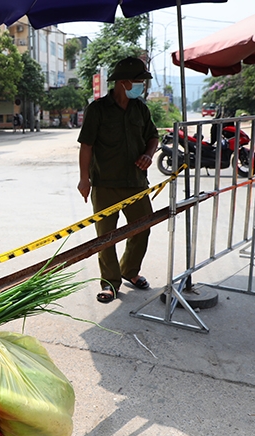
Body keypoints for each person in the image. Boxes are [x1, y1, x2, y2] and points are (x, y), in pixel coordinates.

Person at [77, 57, 159, 304]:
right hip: (104, 184)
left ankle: (130, 271)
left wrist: (148, 154)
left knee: (143, 228)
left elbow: (152, 137)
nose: (141, 86)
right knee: (106, 237)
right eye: (138, 81)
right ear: (123, 82)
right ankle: (110, 283)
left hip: (136, 183)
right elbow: (86, 146)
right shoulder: (98, 109)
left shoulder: (140, 109)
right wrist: (84, 179)